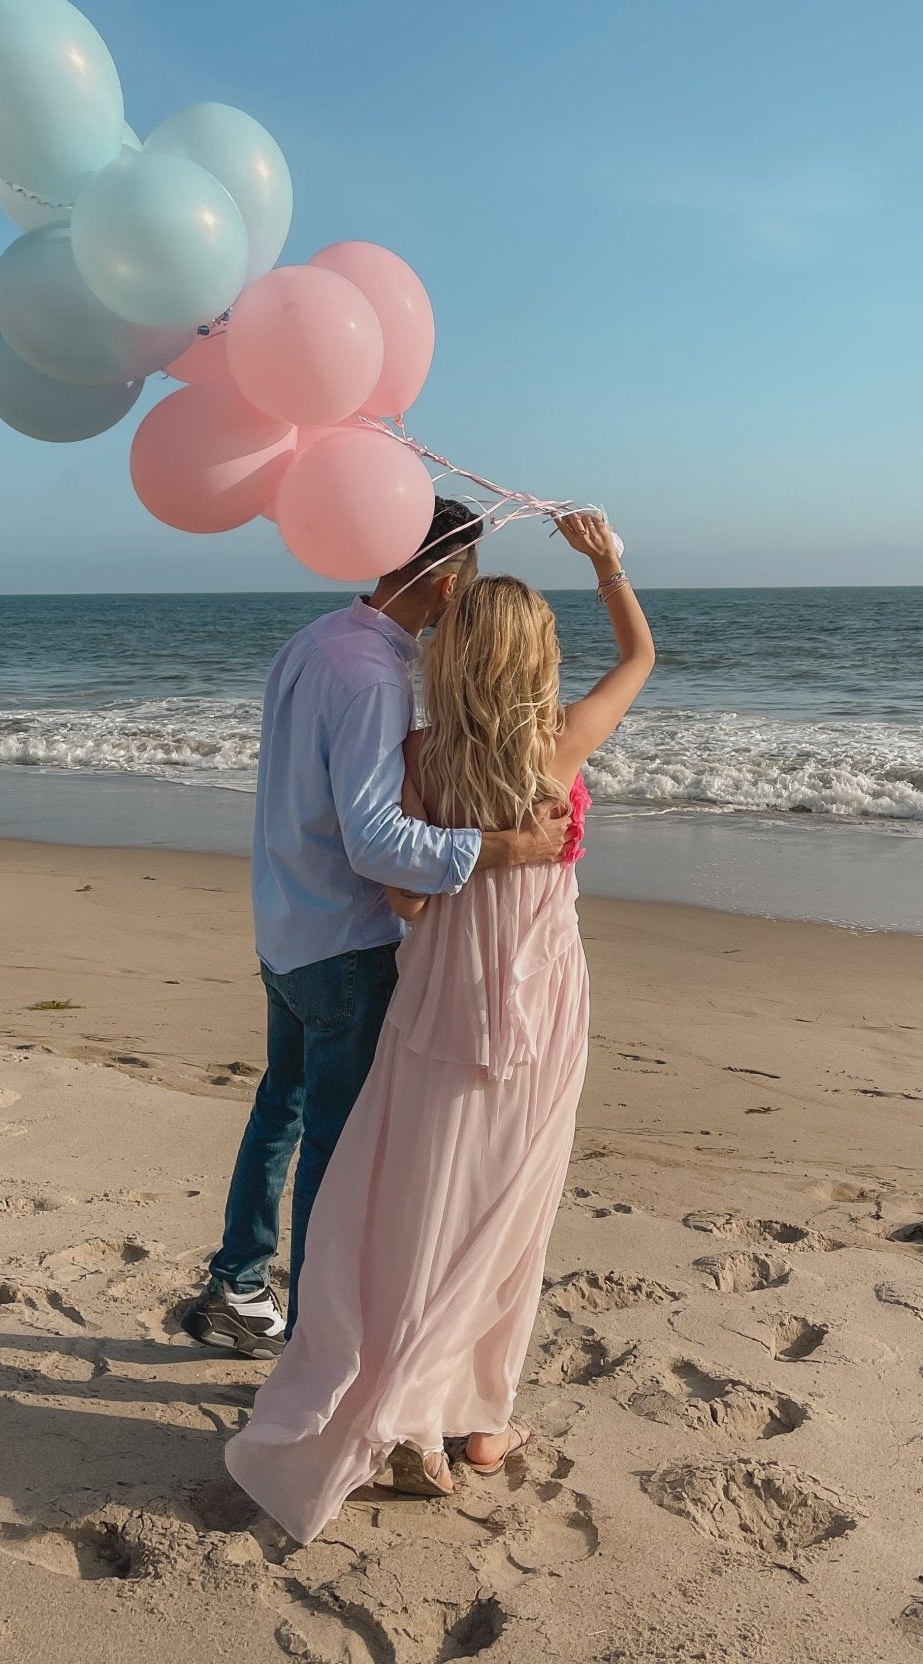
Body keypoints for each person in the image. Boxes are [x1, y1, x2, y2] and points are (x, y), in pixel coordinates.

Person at [224, 510, 654, 1542]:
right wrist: (606, 563)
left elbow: (405, 892)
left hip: (427, 996)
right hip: (540, 1002)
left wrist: (456, 862)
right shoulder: (560, 750)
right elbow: (640, 656)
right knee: (508, 1212)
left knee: (410, 1200)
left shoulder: (415, 746)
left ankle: (353, 1362)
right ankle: (479, 1416)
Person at [183, 499, 573, 1358]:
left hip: (286, 918)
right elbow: (377, 842)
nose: (462, 600)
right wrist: (506, 845)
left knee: (281, 1108)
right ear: (443, 574)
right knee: (338, 1143)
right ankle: (317, 1334)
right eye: (463, 579)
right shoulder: (371, 677)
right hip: (345, 942)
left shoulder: (316, 640)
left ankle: (238, 1286)